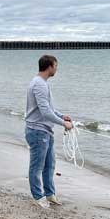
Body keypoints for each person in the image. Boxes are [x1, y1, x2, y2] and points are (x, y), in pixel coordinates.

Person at [24, 54, 73, 209]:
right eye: (56, 66)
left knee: (50, 165)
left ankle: (50, 194)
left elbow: (48, 108)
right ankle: (38, 197)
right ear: (50, 66)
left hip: (46, 131)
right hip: (38, 131)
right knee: (37, 167)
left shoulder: (42, 83)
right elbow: (45, 112)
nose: (57, 69)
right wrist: (63, 123)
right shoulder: (39, 84)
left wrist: (61, 116)